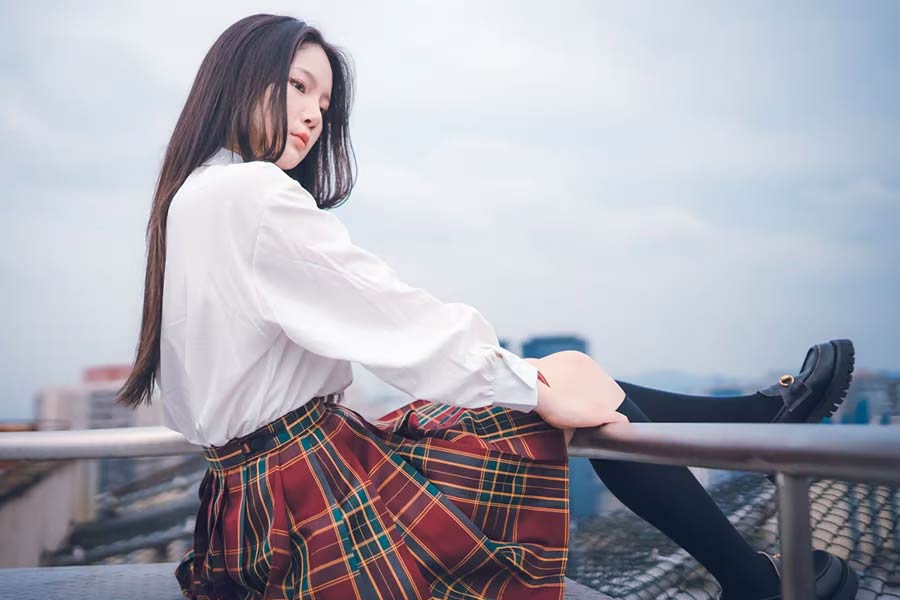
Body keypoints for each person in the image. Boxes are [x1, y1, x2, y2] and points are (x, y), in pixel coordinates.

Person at [115, 14, 859, 600]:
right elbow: (393, 318)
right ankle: (755, 487)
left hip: (245, 512)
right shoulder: (252, 194)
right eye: (298, 86)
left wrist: (534, 380)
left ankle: (755, 490)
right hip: (313, 494)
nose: (312, 116)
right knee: (569, 392)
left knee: (570, 384)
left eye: (323, 100)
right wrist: (533, 384)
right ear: (240, 78)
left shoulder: (191, 196)